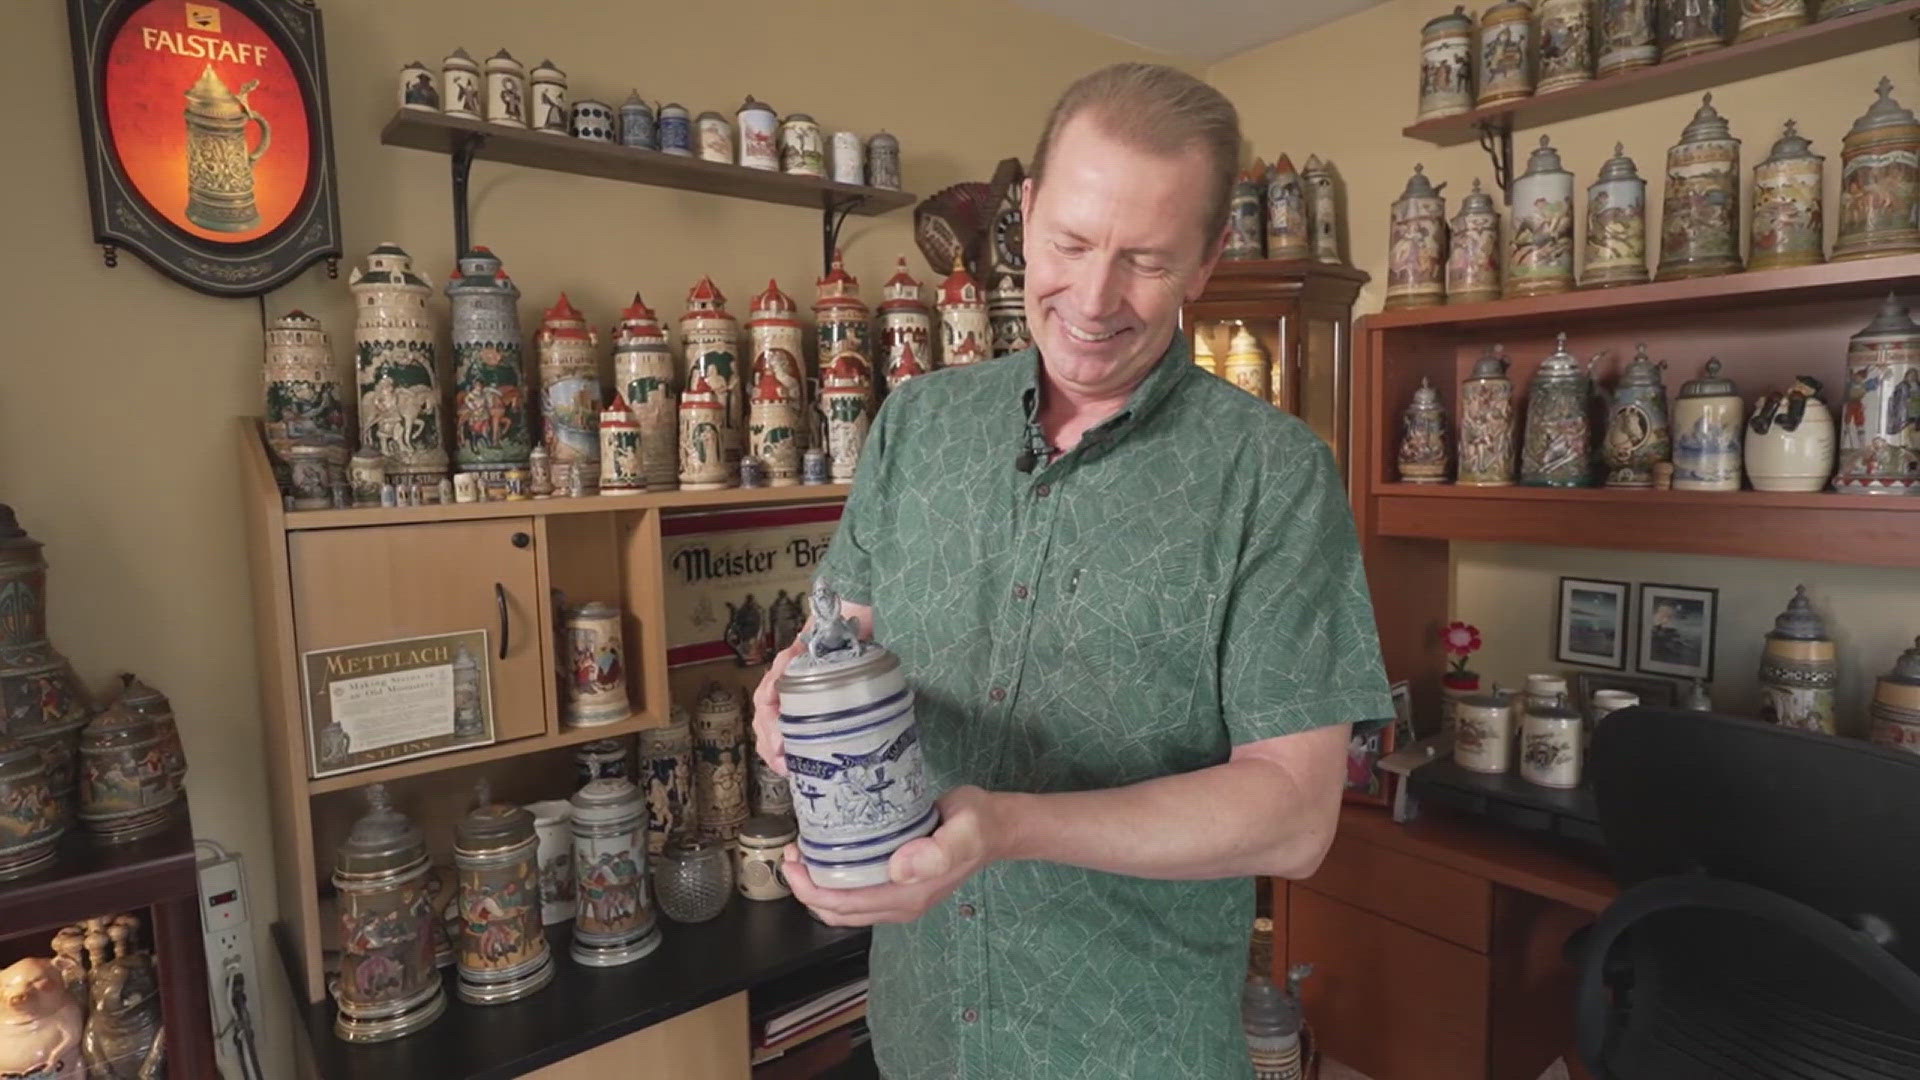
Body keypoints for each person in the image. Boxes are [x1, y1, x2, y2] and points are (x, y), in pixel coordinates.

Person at [752, 63, 1392, 1079]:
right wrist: (784, 694)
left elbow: (1294, 813)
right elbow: (839, 634)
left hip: (1131, 1049)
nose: (1093, 300)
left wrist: (1006, 828)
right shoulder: (919, 425)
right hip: (921, 1033)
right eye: (1070, 243)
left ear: (1206, 261)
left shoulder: (1273, 475)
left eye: (1144, 259)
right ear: (1026, 213)